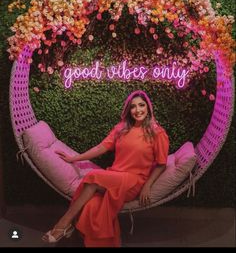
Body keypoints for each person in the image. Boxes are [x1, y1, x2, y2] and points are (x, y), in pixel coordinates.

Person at [42, 90, 169, 247]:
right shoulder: (122, 128)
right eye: (133, 107)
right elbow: (101, 147)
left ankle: (63, 224)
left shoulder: (157, 133)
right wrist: (74, 158)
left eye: (142, 105)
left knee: (93, 177)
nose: (138, 110)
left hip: (134, 182)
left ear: (148, 107)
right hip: (114, 177)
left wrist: (147, 186)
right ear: (129, 110)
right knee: (92, 205)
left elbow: (162, 164)